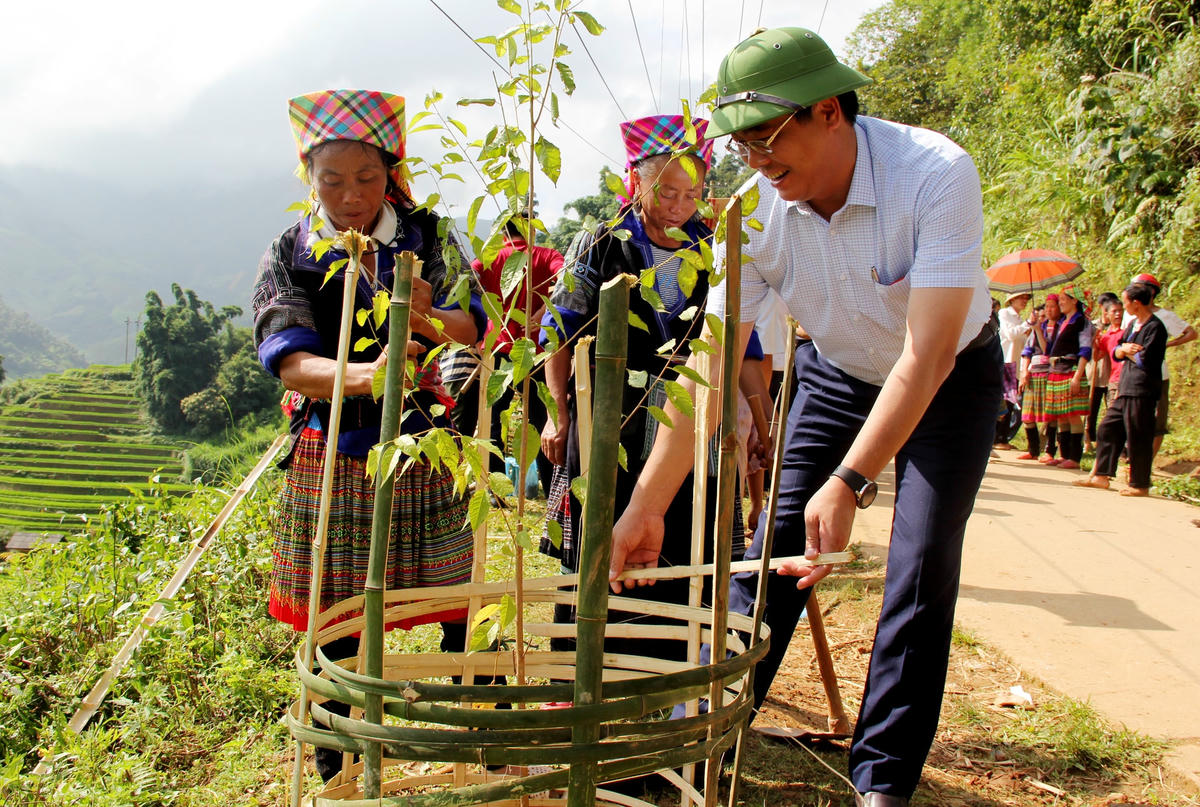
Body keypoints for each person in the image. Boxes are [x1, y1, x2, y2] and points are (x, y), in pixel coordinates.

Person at [608, 28, 1000, 807]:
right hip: (838, 374)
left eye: (766, 138)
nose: (755, 160)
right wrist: (648, 502)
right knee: (774, 552)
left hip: (949, 377)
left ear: (828, 111)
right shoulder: (754, 215)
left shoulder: (935, 174)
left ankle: (882, 779)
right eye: (741, 144)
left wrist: (851, 479)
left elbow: (926, 354)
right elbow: (712, 361)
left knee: (921, 562)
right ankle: (695, 741)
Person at [251, 89, 486, 780]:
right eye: (331, 180)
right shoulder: (292, 251)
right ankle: (337, 758)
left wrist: (428, 318)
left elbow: (472, 325)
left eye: (366, 177)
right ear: (308, 176)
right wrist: (365, 376)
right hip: (336, 449)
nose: (350, 196)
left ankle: (473, 727)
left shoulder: (430, 236)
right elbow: (289, 360)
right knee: (338, 612)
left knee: (457, 598)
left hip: (429, 443)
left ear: (390, 173)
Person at [538, 114, 746, 662]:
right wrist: (557, 412)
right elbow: (557, 331)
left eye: (691, 194)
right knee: (598, 532)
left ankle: (661, 666)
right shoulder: (601, 242)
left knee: (678, 532)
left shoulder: (713, 246)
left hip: (688, 415)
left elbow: (736, 340)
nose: (679, 206)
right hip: (609, 414)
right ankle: (578, 665)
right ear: (636, 181)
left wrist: (751, 410)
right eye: (666, 191)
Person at [471, 215, 564, 492]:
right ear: (532, 232)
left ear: (503, 234)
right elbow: (566, 278)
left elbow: (468, 280)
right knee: (543, 419)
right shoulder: (546, 255)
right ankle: (551, 487)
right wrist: (542, 312)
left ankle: (493, 488)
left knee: (492, 418)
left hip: (498, 347)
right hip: (536, 352)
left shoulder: (489, 258)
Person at [1075, 282, 1168, 496]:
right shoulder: (1133, 325)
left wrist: (1126, 352)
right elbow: (1117, 351)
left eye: (1125, 302)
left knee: (1138, 435)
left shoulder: (1155, 327)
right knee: (1107, 428)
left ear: (1136, 303)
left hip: (1142, 389)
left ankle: (1140, 484)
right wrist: (1124, 350)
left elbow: (1147, 359)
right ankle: (1102, 475)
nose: (1123, 307)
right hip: (1125, 385)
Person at [1120, 272, 1197, 458]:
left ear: (1150, 292)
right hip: (1130, 374)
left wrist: (1167, 345)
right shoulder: (1129, 315)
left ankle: (1148, 461)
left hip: (1156, 374)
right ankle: (1133, 458)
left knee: (1157, 419)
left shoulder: (1164, 317)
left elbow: (1191, 333)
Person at [1044, 285, 1092, 469]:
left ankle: (1075, 457)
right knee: (1061, 415)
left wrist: (1077, 376)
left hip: (1070, 370)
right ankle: (1064, 455)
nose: (1061, 303)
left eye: (1064, 299)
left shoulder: (1081, 322)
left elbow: (1085, 350)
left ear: (1074, 301)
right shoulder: (1063, 321)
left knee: (1073, 415)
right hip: (1057, 371)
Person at [1017, 298, 1057, 461]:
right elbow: (1027, 352)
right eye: (1039, 316)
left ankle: (1050, 450)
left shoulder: (1053, 330)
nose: (1041, 319)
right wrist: (1024, 372)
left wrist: (1039, 330)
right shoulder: (1033, 331)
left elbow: (1048, 349)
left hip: (1048, 373)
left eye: (1044, 316)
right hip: (1033, 373)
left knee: (1050, 415)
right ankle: (1033, 449)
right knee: (1027, 415)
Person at [996, 292, 1033, 449]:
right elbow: (1010, 334)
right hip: (1006, 362)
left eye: (1026, 298)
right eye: (1021, 298)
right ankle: (998, 438)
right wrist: (1027, 324)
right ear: (1012, 299)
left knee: (1011, 402)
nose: (1024, 301)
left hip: (1016, 365)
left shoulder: (1019, 319)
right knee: (1004, 402)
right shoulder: (1004, 314)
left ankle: (1003, 437)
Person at [1086, 292, 1121, 451]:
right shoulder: (1093, 326)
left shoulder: (1119, 328)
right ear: (1102, 308)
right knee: (1090, 410)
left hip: (1111, 375)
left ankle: (1110, 441)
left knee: (1112, 410)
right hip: (1094, 373)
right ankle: (1088, 439)